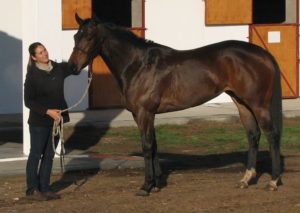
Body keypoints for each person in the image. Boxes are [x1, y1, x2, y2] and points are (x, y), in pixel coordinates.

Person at [24, 42, 78, 201]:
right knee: (35, 155)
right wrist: (48, 112)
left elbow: (75, 67)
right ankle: (32, 190)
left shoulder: (59, 68)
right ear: (34, 57)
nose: (44, 54)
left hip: (56, 121)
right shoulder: (32, 75)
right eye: (40, 53)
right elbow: (29, 101)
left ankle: (45, 188)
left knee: (49, 155)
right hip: (39, 122)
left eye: (45, 50)